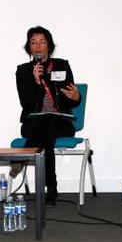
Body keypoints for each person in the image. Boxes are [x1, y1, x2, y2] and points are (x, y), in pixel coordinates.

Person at [14, 26, 81, 206]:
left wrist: (77, 97)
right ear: (29, 48)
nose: (38, 46)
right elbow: (26, 104)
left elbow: (72, 97)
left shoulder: (62, 65)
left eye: (42, 42)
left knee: (49, 121)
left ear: (49, 46)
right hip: (33, 122)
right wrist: (36, 82)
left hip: (62, 122)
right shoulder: (22, 71)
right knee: (46, 132)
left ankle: (22, 158)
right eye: (33, 42)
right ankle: (51, 190)